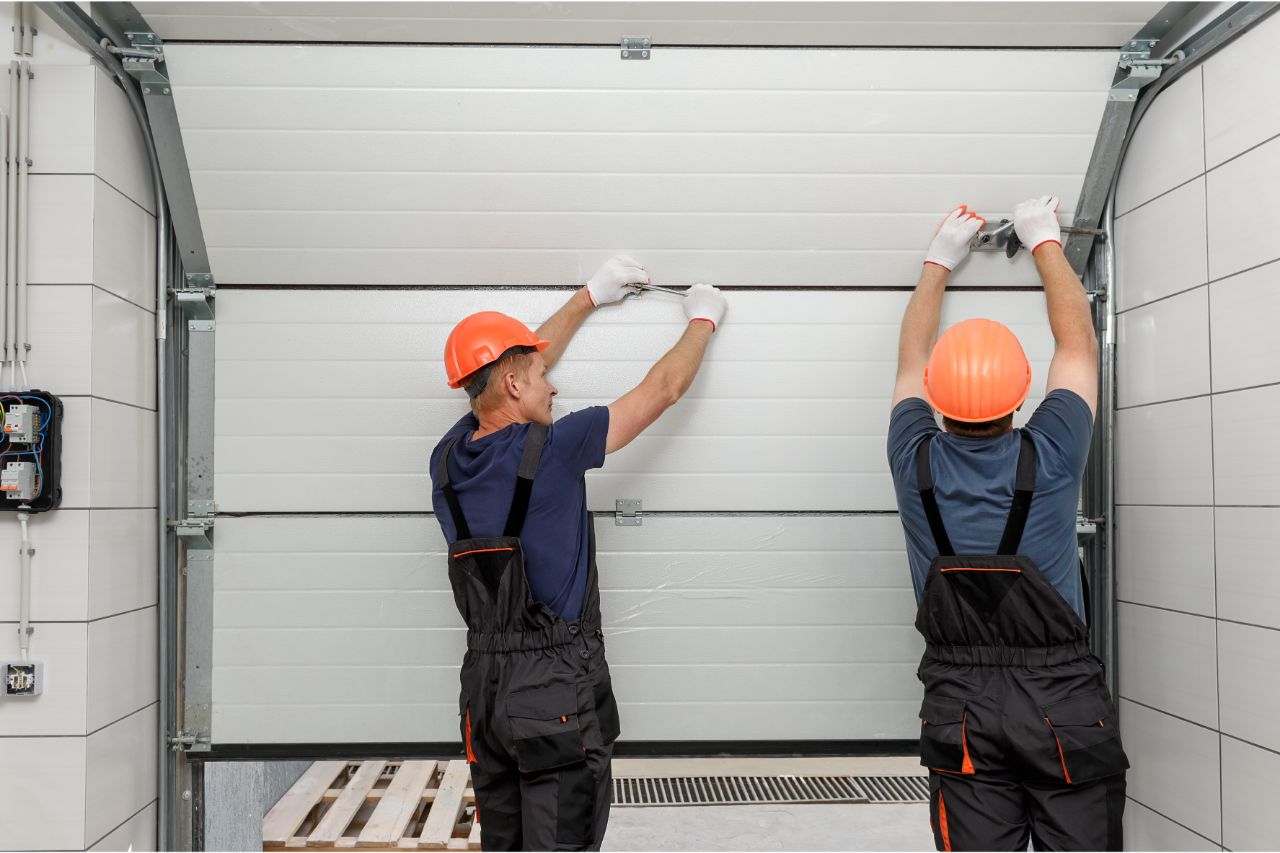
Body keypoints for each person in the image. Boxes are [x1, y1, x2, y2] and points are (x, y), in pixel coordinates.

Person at [430, 255, 727, 851]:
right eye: (540, 377)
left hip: (484, 692)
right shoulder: (558, 447)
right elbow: (663, 390)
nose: (554, 383)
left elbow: (507, 374)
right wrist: (704, 319)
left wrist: (588, 297)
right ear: (514, 385)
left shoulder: (448, 456)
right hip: (553, 690)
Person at [887, 198, 1129, 851]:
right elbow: (1077, 341)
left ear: (936, 398)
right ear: (1020, 396)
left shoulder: (913, 459)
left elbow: (910, 358)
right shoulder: (1049, 453)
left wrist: (939, 258)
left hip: (959, 703)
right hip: (1062, 703)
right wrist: (1044, 240)